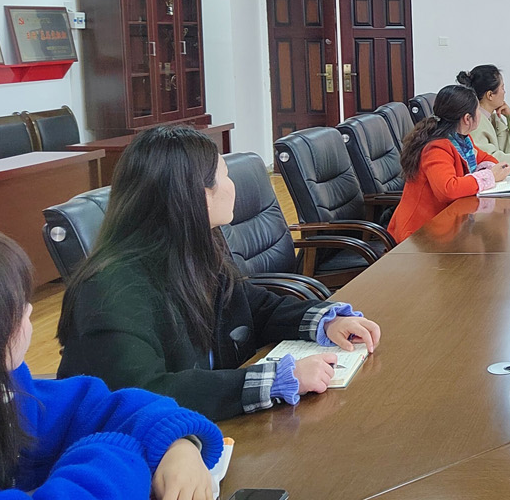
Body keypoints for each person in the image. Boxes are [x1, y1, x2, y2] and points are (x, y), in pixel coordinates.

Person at [58, 126, 381, 423]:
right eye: (224, 175)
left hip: (208, 429)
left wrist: (325, 322)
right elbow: (145, 393)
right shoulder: (109, 289)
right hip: (143, 451)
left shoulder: (193, 248)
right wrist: (273, 381)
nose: (232, 185)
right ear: (198, 194)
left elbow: (253, 308)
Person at [0, 232, 224, 500]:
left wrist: (176, 443)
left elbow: (93, 406)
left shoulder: (10, 391)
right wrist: (124, 451)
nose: (30, 309)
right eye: (14, 308)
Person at [388, 84, 510, 243]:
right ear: (467, 118)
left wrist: (492, 169)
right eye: (478, 110)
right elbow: (448, 189)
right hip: (419, 235)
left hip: (447, 224)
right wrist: (489, 177)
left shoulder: (462, 139)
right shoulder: (436, 147)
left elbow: (485, 158)